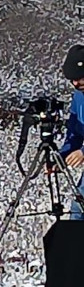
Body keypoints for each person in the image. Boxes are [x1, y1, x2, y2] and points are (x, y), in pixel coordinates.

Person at [61, 45, 84, 218]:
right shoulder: (79, 95)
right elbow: (75, 130)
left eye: (80, 79)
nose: (76, 84)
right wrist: (62, 155)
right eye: (73, 80)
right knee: (78, 209)